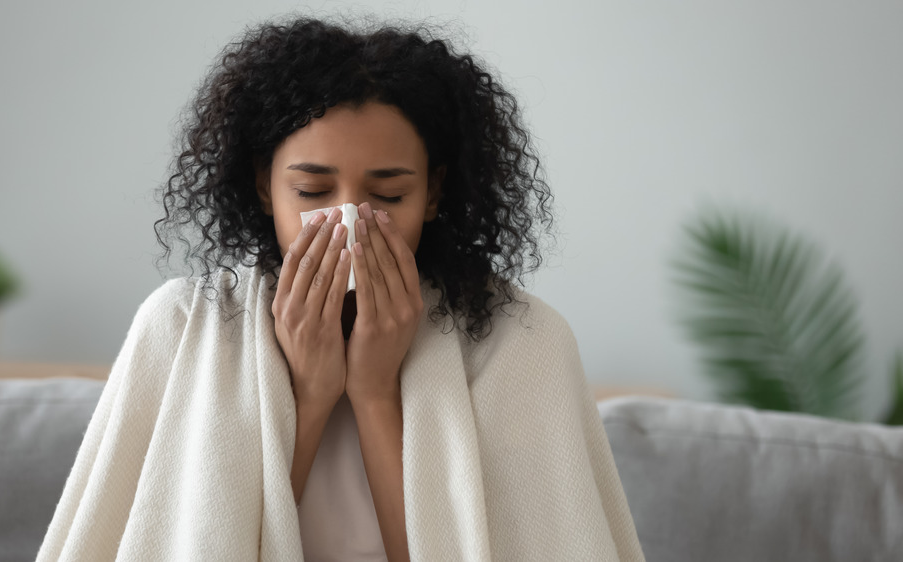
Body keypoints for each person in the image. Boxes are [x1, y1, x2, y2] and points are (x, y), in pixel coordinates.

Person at [36, 16, 645, 562]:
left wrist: (376, 393)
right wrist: (309, 394)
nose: (349, 221)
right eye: (311, 192)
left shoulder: (521, 340)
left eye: (387, 195)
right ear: (262, 186)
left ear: (433, 194)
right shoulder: (182, 327)